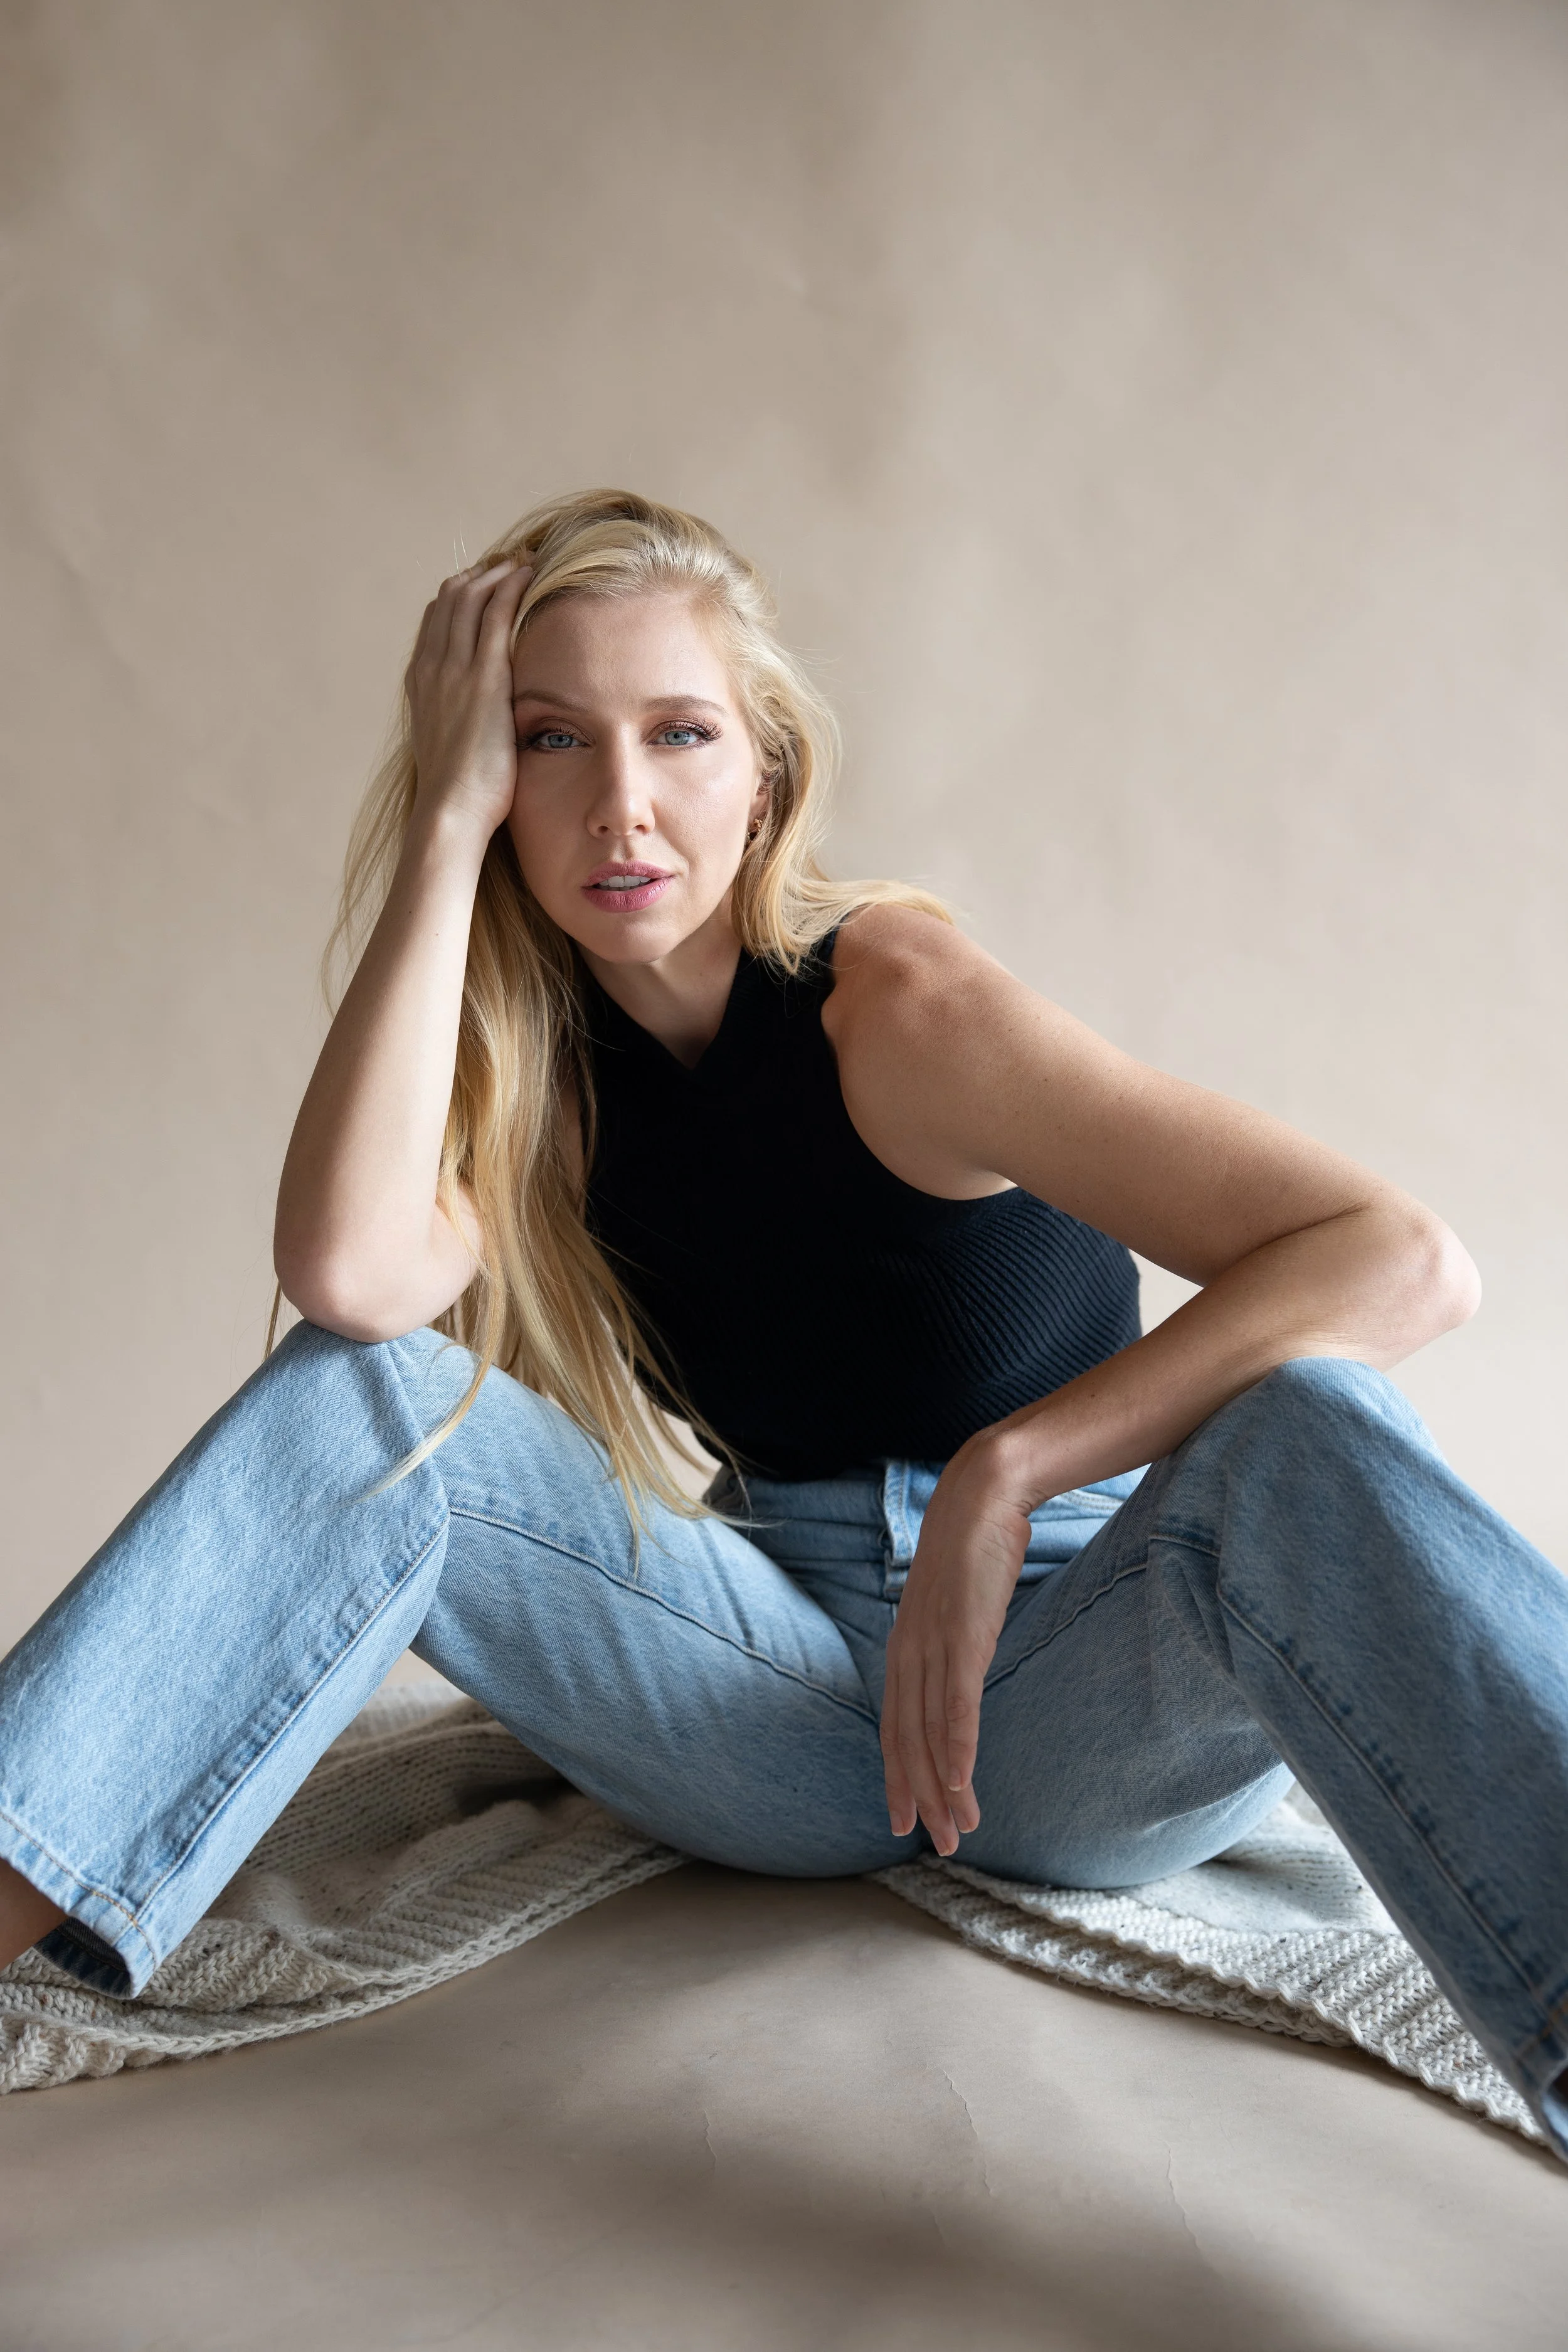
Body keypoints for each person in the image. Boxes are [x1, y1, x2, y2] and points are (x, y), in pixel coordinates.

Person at [1, 490, 1564, 2151]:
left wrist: (1008, 1474)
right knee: (363, 1383)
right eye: (548, 740)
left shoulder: (896, 1007)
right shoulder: (535, 1088)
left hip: (1091, 1680)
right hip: (784, 1710)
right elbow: (347, 1276)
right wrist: (442, 838)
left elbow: (1395, 1257)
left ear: (767, 773)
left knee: (1314, 1421)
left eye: (679, 732)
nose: (623, 802)